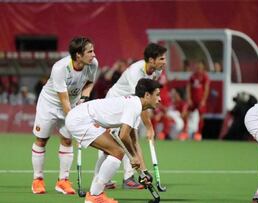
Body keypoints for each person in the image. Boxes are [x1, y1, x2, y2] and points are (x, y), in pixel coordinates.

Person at [66, 78, 161, 203]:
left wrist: (143, 170)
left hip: (82, 118)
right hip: (81, 120)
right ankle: (95, 195)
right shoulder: (135, 106)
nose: (160, 99)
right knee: (117, 152)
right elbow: (123, 136)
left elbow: (133, 141)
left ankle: (95, 195)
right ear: (147, 95)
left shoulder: (135, 106)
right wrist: (133, 158)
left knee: (117, 152)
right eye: (157, 95)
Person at [93, 43, 167, 189]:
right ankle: (100, 179)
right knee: (111, 144)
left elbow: (145, 101)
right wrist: (149, 127)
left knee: (131, 139)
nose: (164, 62)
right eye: (162, 59)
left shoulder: (156, 72)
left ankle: (128, 177)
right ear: (151, 60)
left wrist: (148, 126)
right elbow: (141, 101)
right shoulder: (136, 72)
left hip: (131, 105)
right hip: (115, 103)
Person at [31, 36, 98, 195]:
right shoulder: (60, 68)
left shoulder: (93, 64)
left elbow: (89, 83)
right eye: (90, 51)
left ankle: (63, 181)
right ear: (78, 55)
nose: (94, 55)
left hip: (72, 103)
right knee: (42, 140)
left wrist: (83, 98)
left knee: (67, 139)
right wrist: (78, 119)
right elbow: (63, 100)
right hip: (50, 104)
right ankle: (37, 180)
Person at [186, 60, 210, 141]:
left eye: (200, 67)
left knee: (201, 117)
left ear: (202, 68)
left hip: (200, 100)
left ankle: (198, 133)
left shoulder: (205, 76)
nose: (198, 69)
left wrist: (203, 100)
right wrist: (189, 98)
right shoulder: (192, 76)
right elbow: (188, 88)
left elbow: (206, 89)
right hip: (193, 100)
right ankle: (186, 132)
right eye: (197, 67)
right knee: (187, 115)